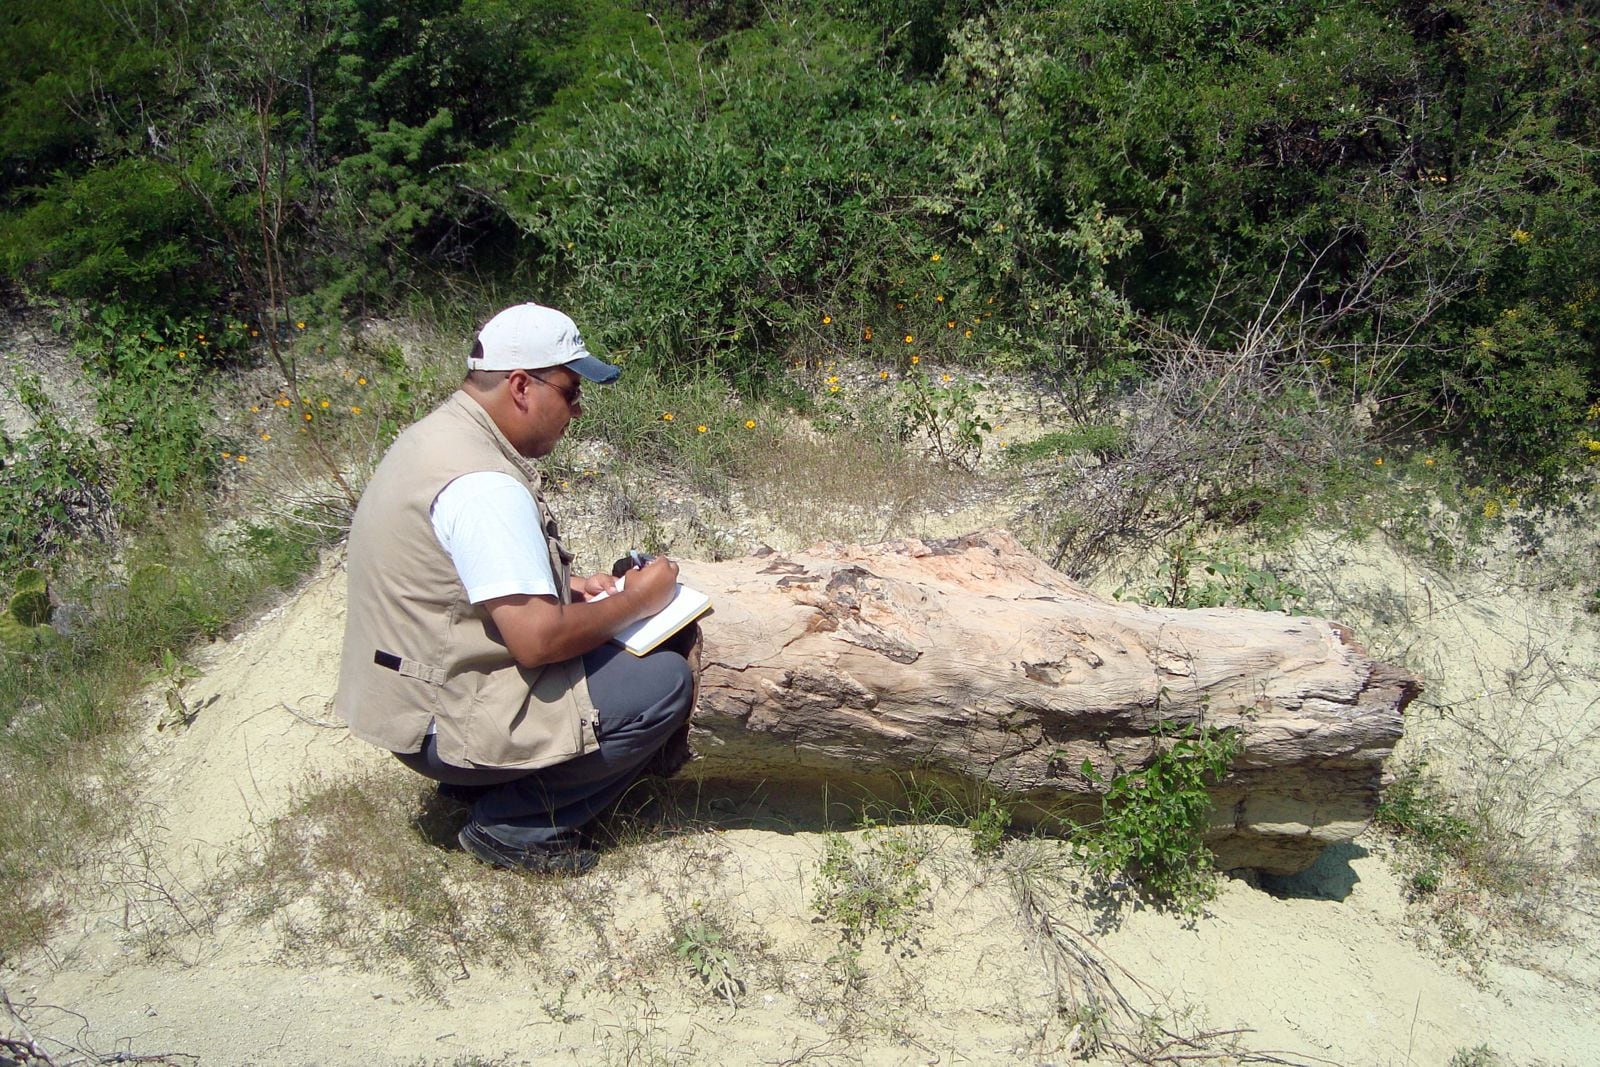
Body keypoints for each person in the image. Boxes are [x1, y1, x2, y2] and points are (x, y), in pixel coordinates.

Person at [335, 302, 695, 875]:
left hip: (403, 707)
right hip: (438, 727)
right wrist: (637, 600)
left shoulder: (436, 438)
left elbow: (452, 575)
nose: (578, 410)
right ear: (523, 386)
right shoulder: (485, 486)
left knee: (610, 649)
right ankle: (516, 826)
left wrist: (568, 586)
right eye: (571, 391)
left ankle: (485, 781)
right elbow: (537, 641)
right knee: (662, 684)